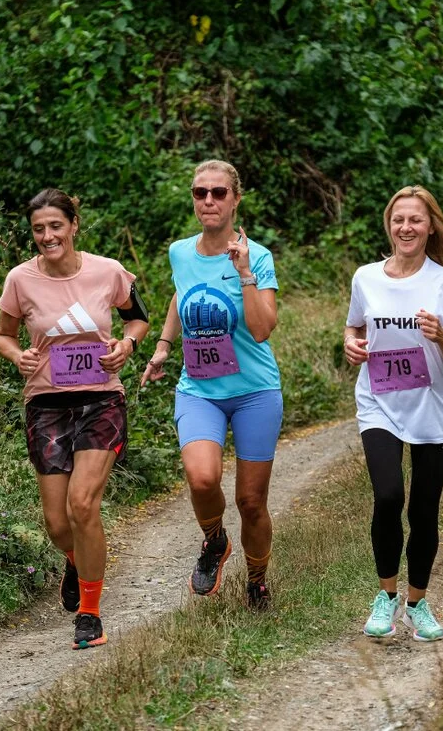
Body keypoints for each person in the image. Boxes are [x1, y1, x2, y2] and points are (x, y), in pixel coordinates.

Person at [0, 188, 149, 650]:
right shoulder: (20, 279)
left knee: (83, 505)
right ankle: (77, 561)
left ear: (74, 225)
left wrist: (127, 345)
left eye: (56, 226)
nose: (47, 236)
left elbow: (136, 319)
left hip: (101, 399)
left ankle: (90, 612)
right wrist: (16, 354)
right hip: (46, 404)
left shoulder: (107, 271)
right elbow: (3, 334)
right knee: (58, 523)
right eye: (39, 229)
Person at [141, 160, 282, 610]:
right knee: (202, 479)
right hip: (200, 389)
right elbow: (182, 293)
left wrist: (243, 273)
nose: (209, 201)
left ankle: (257, 578)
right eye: (201, 192)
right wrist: (164, 345)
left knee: (251, 501)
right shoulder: (180, 252)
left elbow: (262, 330)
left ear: (236, 199)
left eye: (219, 193)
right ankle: (214, 540)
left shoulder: (256, 256)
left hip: (254, 390)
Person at [343, 185, 443, 642]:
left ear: (430, 226)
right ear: (389, 224)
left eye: (415, 220)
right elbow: (354, 327)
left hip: (430, 409)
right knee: (387, 496)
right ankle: (386, 597)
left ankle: (417, 603)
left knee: (424, 511)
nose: (406, 228)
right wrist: (351, 344)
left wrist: (441, 336)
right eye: (399, 219)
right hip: (378, 402)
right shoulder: (366, 277)